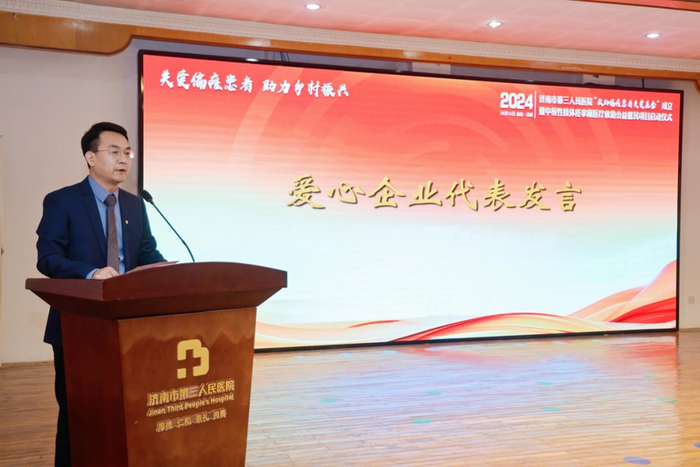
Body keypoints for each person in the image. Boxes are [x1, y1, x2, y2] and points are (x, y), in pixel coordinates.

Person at [36, 122, 166, 466]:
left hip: (130, 327)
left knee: (128, 409)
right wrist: (90, 273)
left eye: (128, 152)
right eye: (114, 151)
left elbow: (146, 253)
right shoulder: (62, 201)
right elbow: (48, 258)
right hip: (78, 326)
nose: (124, 159)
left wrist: (166, 269)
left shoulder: (136, 205)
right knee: (77, 412)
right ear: (91, 157)